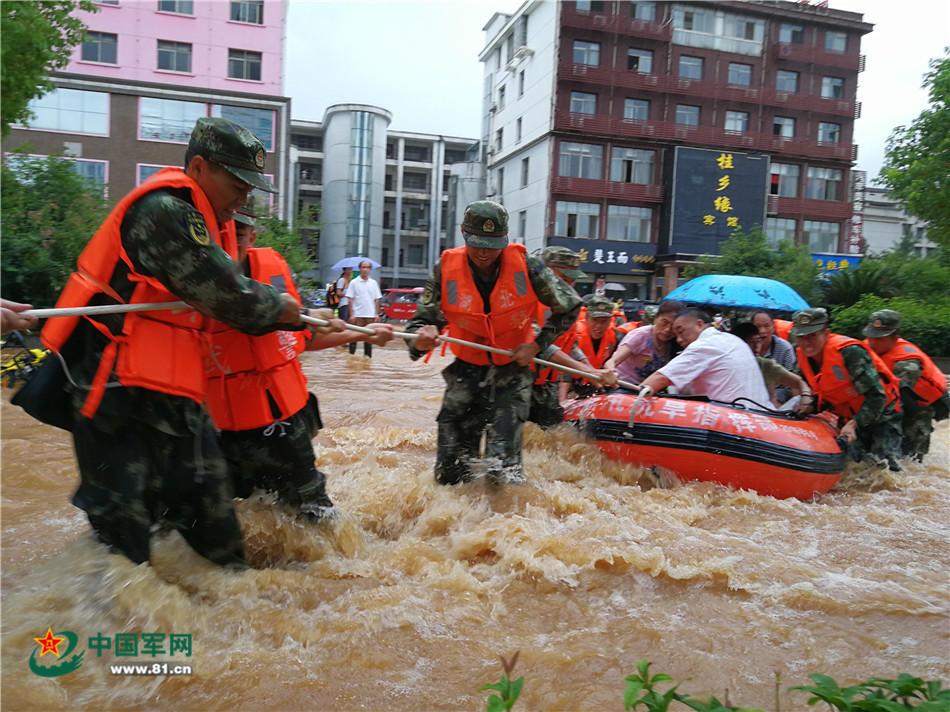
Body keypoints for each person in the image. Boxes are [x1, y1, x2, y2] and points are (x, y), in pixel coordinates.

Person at [37, 117, 302, 568]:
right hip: (117, 400)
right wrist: (281, 308)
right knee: (124, 549)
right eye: (237, 183)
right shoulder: (166, 211)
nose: (245, 197)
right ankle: (109, 625)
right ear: (199, 167)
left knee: (217, 535)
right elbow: (228, 296)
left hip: (176, 401)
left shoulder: (203, 218)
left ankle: (232, 624)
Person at [206, 211, 394, 522]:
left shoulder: (274, 272)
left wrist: (368, 335)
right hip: (223, 429)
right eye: (222, 230)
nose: (229, 238)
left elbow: (302, 341)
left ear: (252, 237)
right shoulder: (194, 284)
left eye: (239, 233)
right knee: (232, 521)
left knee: (313, 514)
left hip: (282, 418)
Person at [406, 200, 581, 485]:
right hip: (465, 372)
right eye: (477, 243)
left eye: (493, 244)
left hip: (512, 371)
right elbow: (422, 320)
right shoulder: (445, 267)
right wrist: (422, 337)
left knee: (503, 471)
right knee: (451, 468)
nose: (485, 252)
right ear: (463, 233)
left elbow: (570, 306)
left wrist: (537, 346)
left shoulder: (528, 266)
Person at [791, 308, 903, 471]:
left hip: (882, 414)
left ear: (826, 333)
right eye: (801, 337)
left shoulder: (850, 353)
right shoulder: (803, 357)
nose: (806, 342)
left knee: (885, 468)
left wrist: (854, 424)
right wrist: (811, 406)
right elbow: (826, 393)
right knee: (852, 467)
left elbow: (878, 396)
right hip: (848, 415)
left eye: (812, 335)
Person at [529, 246, 615, 426]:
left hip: (546, 384)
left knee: (552, 433)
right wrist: (586, 370)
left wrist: (590, 369)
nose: (568, 286)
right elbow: (539, 343)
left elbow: (570, 342)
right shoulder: (528, 299)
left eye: (572, 281)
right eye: (564, 279)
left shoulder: (569, 304)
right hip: (519, 379)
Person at [638, 308, 771, 405]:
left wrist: (632, 398)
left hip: (736, 420)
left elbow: (660, 378)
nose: (678, 340)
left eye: (680, 331)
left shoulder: (705, 345)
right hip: (758, 416)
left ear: (699, 324)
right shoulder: (730, 339)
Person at [864, 309, 949, 462]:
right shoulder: (864, 348)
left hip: (917, 407)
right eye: (871, 336)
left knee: (910, 459)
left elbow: (896, 395)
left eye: (879, 338)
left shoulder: (908, 362)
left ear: (895, 337)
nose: (873, 342)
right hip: (891, 400)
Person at [731, 322, 813, 411]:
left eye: (758, 341)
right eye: (750, 342)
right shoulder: (726, 364)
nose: (756, 347)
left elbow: (798, 382)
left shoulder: (765, 365)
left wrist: (806, 396)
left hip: (766, 414)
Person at [605, 300, 684, 386]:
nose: (667, 329)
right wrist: (611, 373)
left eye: (673, 326)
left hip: (649, 390)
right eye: (664, 322)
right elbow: (612, 361)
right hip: (623, 386)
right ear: (655, 318)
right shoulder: (640, 336)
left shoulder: (676, 343)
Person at [569, 294, 625, 398]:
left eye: (604, 321)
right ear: (586, 318)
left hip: (597, 386)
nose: (598, 326)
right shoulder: (573, 334)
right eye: (594, 320)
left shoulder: (616, 337)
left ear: (610, 321)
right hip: (571, 386)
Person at [344, 260, 382, 357]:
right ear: (360, 269)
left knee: (369, 339)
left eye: (367, 267)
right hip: (357, 315)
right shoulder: (354, 282)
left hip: (370, 314)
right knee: (353, 338)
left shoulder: (373, 283)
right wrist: (352, 314)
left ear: (370, 269)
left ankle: (367, 359)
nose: (365, 269)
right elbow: (350, 299)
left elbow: (377, 299)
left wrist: (376, 314)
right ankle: (350, 358)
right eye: (363, 267)